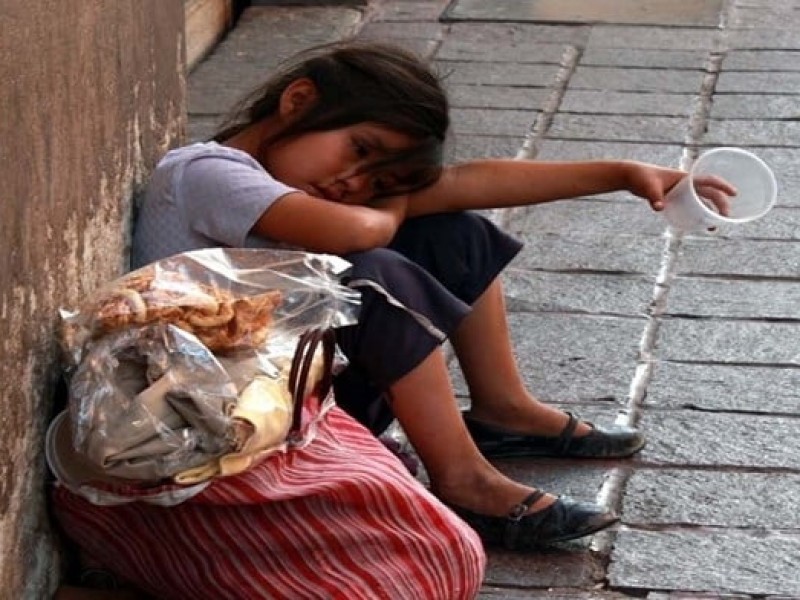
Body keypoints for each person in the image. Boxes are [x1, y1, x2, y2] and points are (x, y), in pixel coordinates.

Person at [52, 40, 736, 599]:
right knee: (375, 273)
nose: (357, 179)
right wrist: (396, 203)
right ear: (299, 102)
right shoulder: (207, 171)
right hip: (217, 415)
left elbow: (471, 181)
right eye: (360, 150)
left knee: (454, 231)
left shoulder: (308, 183)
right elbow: (358, 230)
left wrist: (624, 173)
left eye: (381, 175)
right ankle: (464, 478)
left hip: (294, 388)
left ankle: (504, 412)